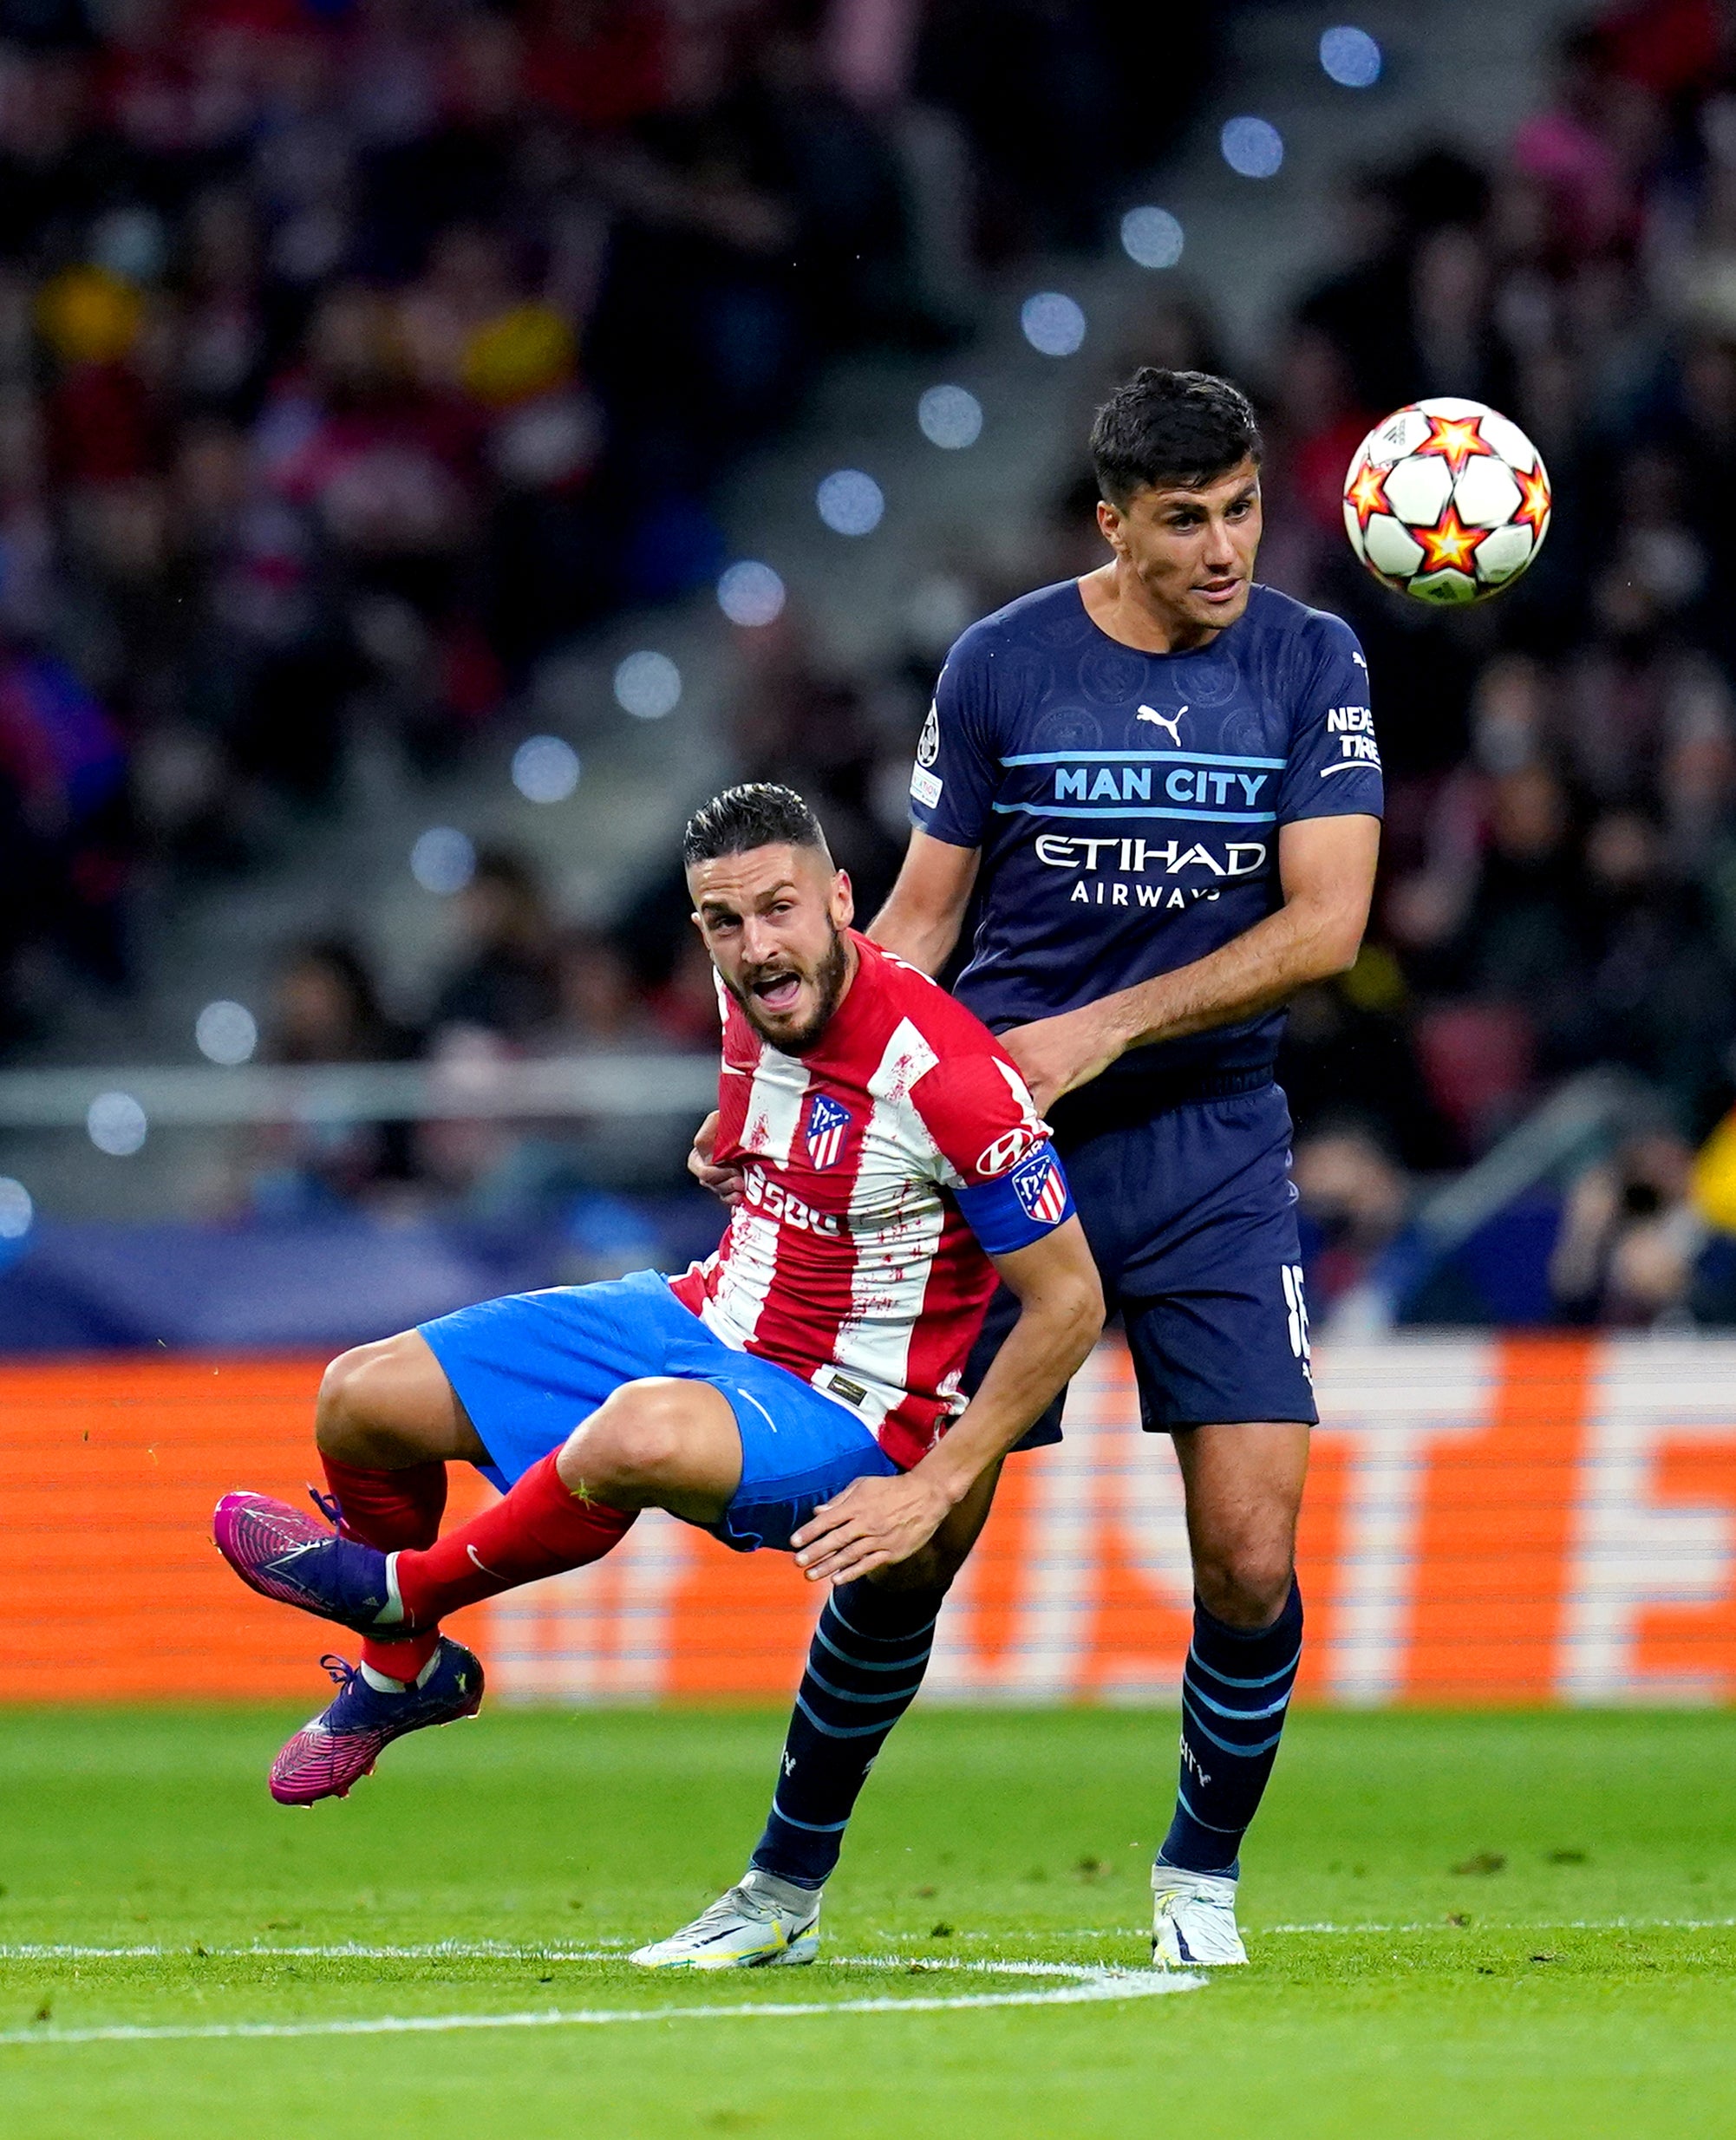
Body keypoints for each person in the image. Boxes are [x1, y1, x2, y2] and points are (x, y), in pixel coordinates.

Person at [676, 368, 1383, 1969]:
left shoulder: (1309, 658)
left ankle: (1197, 1882)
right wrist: (781, 1088)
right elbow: (914, 920)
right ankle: (782, 1885)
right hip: (993, 1142)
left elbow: (1327, 926)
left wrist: (1101, 1032)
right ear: (1112, 522)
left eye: (1244, 510)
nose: (1224, 549)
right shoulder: (1005, 662)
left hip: (1210, 1141)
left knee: (1253, 1546)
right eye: (1185, 519)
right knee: (916, 1540)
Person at [211, 784, 1101, 1942]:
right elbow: (755, 1111)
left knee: (632, 1433)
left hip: (844, 1408)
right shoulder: (748, 1005)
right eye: (725, 924)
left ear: (840, 902)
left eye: (780, 910)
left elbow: (1069, 1301)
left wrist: (934, 1483)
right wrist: (725, 1139)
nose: (757, 945)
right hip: (698, 1315)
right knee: (359, 1399)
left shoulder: (946, 1074)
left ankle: (400, 1594)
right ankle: (401, 1670)